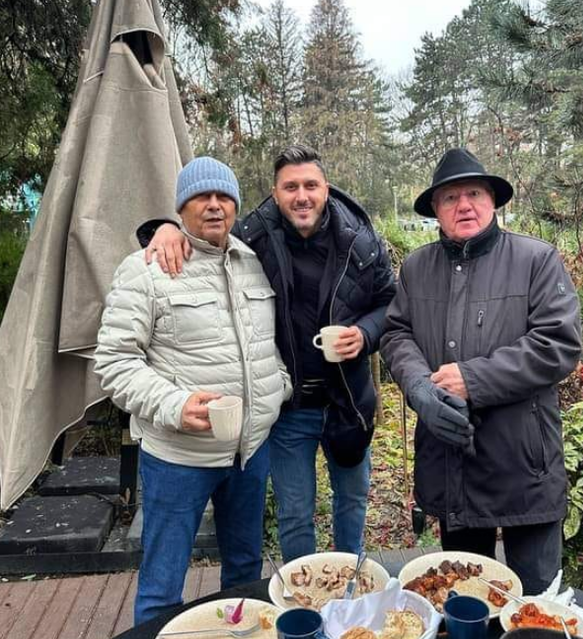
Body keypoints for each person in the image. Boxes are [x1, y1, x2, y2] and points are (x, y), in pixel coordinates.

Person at [140, 145, 396, 562]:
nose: (302, 196)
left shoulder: (360, 242)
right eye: (290, 187)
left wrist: (365, 334)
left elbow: (392, 303)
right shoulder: (252, 237)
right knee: (295, 514)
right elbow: (206, 241)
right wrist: (165, 229)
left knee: (352, 502)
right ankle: (301, 593)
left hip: (349, 400)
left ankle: (352, 583)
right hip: (289, 406)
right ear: (275, 194)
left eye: (310, 185)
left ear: (326, 189)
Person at [95, 157, 291, 624]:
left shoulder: (253, 264)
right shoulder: (146, 269)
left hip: (248, 453)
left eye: (224, 197)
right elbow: (115, 361)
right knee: (163, 583)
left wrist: (278, 387)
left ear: (236, 206)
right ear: (181, 208)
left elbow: (267, 342)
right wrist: (175, 404)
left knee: (244, 573)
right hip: (178, 459)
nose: (214, 205)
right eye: (202, 196)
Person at [380, 148, 582, 594]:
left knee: (535, 603)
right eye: (450, 198)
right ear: (436, 209)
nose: (464, 205)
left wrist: (472, 380)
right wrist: (419, 387)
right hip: (453, 462)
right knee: (463, 599)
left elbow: (558, 343)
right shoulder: (417, 268)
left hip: (524, 466)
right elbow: (396, 334)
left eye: (474, 193)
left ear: (492, 200)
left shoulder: (536, 259)